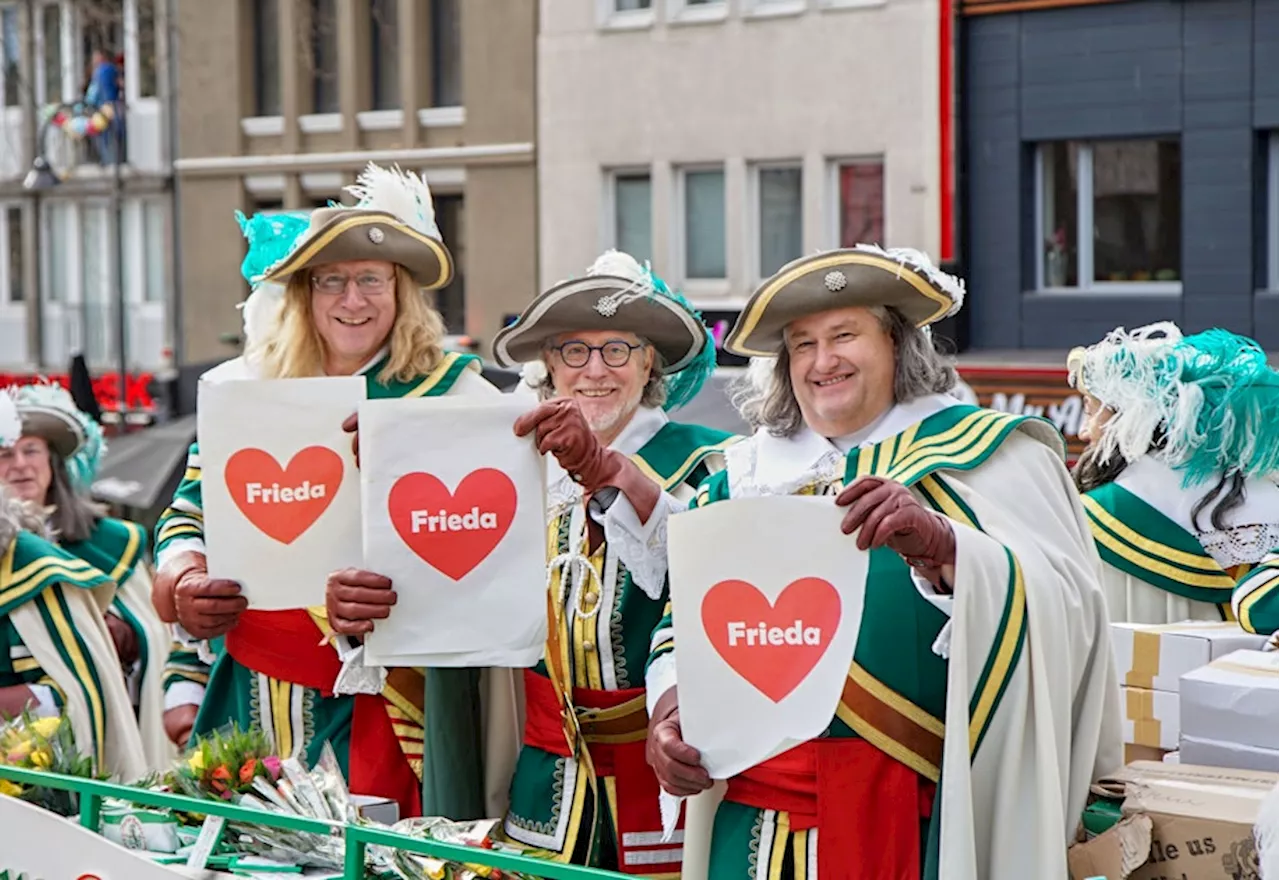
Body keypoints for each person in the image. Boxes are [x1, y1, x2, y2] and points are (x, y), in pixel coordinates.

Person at [633, 245, 1121, 879]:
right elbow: (682, 621)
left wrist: (948, 550)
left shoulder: (994, 458)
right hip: (749, 832)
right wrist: (670, 708)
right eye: (802, 344)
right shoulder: (739, 478)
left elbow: (1073, 612)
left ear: (897, 346)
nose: (822, 360)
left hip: (913, 828)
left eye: (844, 335)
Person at [327, 250, 736, 871]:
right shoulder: (512, 468)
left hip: (661, 779)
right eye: (574, 350)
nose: (594, 370)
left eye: (618, 349)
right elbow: (458, 610)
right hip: (542, 782)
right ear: (549, 365)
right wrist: (371, 618)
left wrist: (609, 474)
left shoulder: (712, 463)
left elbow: (705, 572)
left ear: (650, 360)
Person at [152, 162, 520, 819]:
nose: (353, 301)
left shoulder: (457, 397)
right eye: (333, 282)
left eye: (372, 280)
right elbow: (186, 518)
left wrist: (402, 591)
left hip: (397, 702)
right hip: (255, 692)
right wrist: (183, 581)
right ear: (304, 295)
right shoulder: (247, 388)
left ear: (402, 290)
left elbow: (496, 553)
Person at [0, 381, 173, 771]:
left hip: (125, 722)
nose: (20, 464)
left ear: (53, 464)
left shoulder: (113, 543)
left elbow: (158, 638)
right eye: (5, 454)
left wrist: (125, 640)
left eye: (31, 450)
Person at [1067, 323, 1280, 628]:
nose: (1083, 431)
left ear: (1129, 418)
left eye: (1090, 410)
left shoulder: (1084, 518)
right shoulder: (1262, 519)